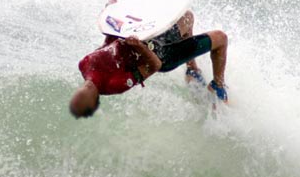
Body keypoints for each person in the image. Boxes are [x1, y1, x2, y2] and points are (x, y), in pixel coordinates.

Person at [69, 11, 228, 119]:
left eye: (74, 102)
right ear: (93, 104)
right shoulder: (114, 84)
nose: (77, 100)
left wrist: (113, 14)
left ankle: (192, 70)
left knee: (187, 17)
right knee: (220, 38)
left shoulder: (84, 65)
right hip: (164, 56)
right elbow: (155, 66)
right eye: (80, 106)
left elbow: (108, 43)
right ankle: (217, 86)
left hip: (151, 39)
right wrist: (139, 47)